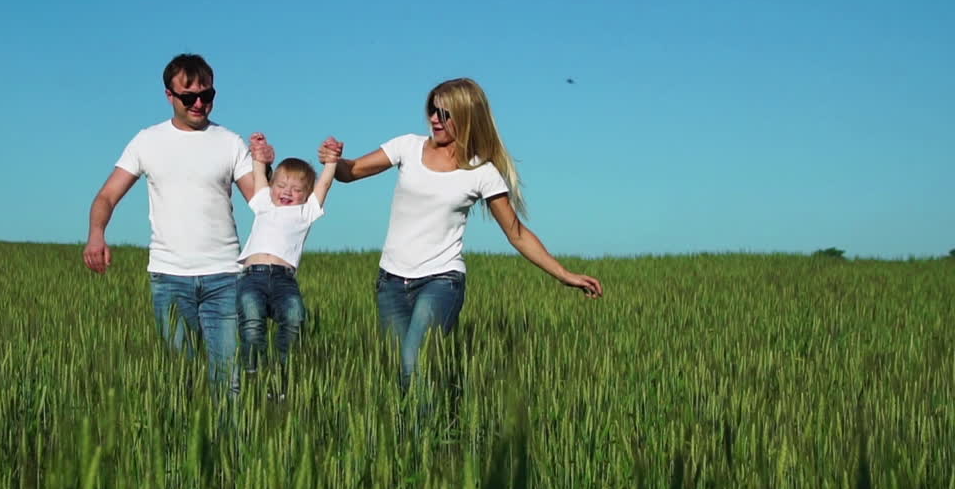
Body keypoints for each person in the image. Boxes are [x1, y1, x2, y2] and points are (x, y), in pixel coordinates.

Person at [320, 77, 602, 392]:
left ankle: (423, 436)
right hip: (390, 282)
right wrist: (335, 160)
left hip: (441, 280)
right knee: (400, 373)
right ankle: (412, 439)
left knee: (416, 364)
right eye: (432, 109)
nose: (434, 119)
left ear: (466, 117)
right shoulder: (407, 147)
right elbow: (352, 171)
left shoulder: (482, 172)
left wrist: (565, 275)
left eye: (444, 113)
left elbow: (517, 233)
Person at [83, 54, 256, 392]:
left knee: (228, 382)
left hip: (225, 276)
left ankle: (231, 445)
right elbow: (106, 196)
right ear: (169, 96)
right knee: (181, 383)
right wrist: (96, 234)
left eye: (207, 95)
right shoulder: (147, 141)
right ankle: (188, 444)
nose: (199, 104)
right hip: (169, 278)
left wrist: (266, 166)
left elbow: (262, 202)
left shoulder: (230, 142)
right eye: (189, 97)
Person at [236, 132, 337, 380]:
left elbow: (323, 184)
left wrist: (332, 161)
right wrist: (258, 153)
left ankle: (282, 373)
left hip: (284, 279)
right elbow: (259, 174)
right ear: (272, 187)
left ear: (306, 194)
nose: (287, 192)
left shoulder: (306, 212)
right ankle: (252, 373)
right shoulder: (264, 203)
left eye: (296, 189)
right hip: (252, 275)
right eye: (281, 186)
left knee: (294, 318)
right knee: (251, 321)